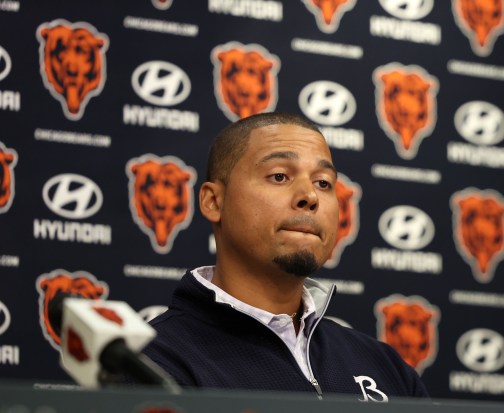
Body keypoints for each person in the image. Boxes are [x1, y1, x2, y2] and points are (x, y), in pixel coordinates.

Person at [143, 112, 429, 401]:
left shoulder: (387, 367)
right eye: (279, 176)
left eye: (323, 183)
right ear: (214, 201)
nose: (310, 196)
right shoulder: (152, 363)